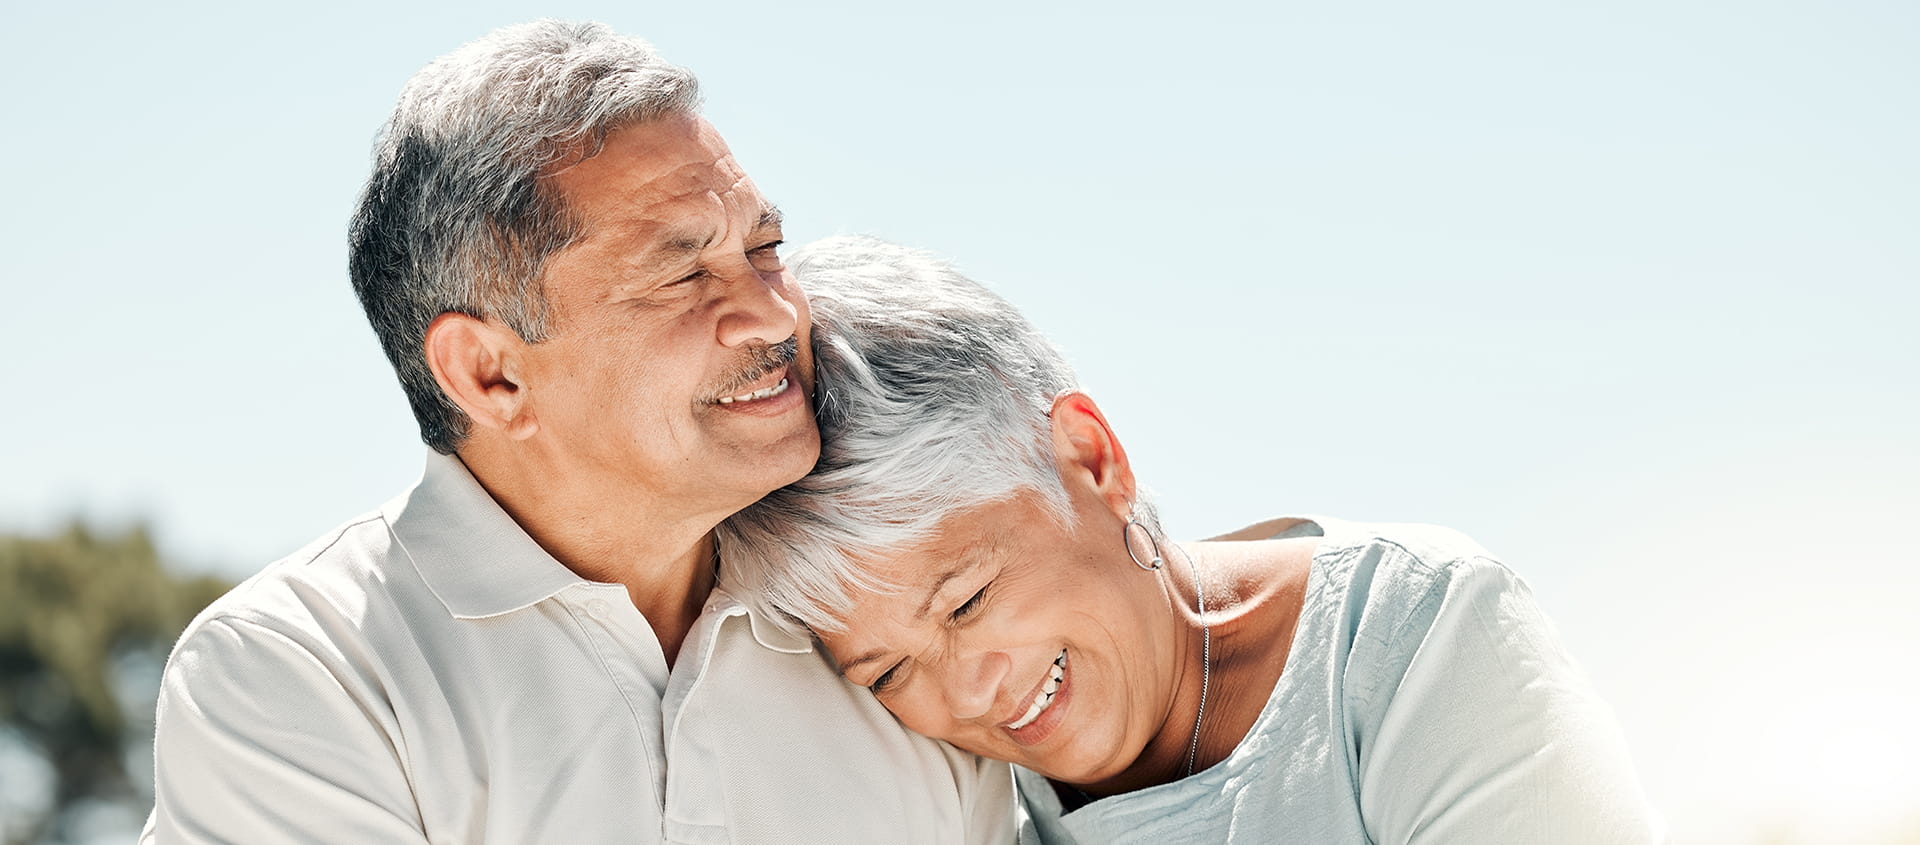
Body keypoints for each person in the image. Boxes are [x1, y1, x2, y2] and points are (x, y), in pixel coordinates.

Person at [143, 23, 1012, 843]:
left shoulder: (892, 638)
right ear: (491, 374)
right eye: (683, 275)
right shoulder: (302, 671)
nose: (774, 313)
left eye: (765, 246)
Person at [720, 236, 1666, 843]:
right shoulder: (957, 802)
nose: (969, 692)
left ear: (1092, 460)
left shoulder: (1411, 633)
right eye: (888, 670)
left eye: (967, 601)